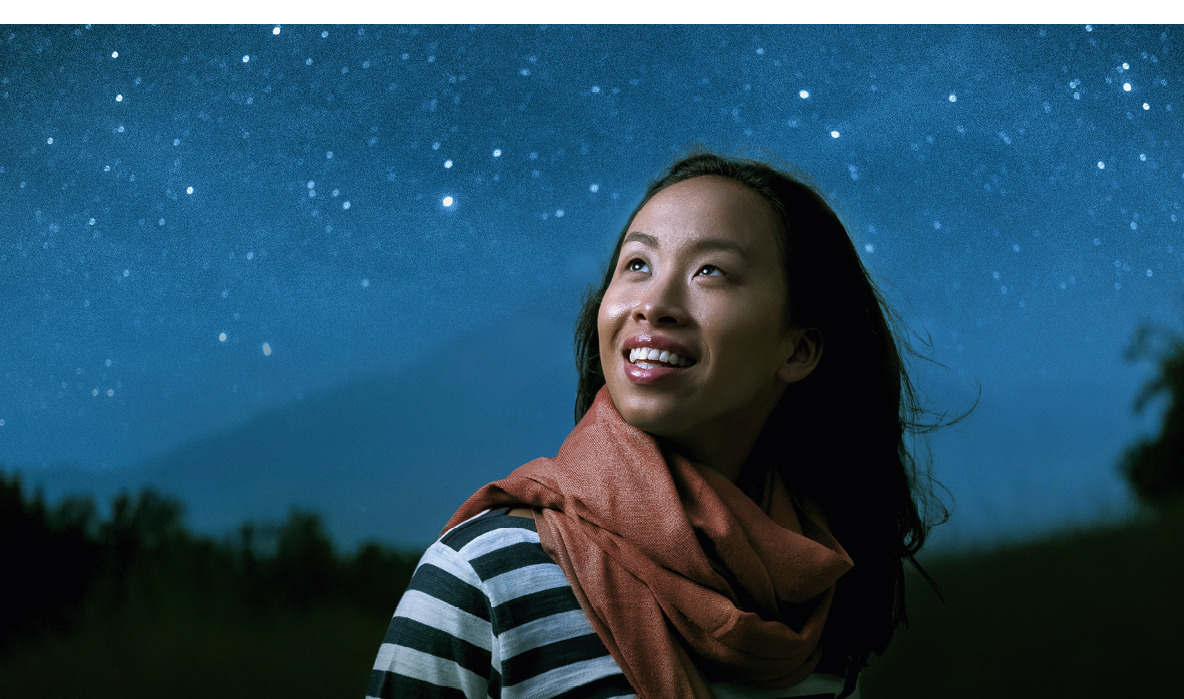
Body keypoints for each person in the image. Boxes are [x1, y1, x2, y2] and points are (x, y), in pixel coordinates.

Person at [368, 149, 939, 698]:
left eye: (710, 271)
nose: (654, 302)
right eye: (637, 264)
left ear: (799, 349)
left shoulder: (817, 594)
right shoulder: (485, 574)